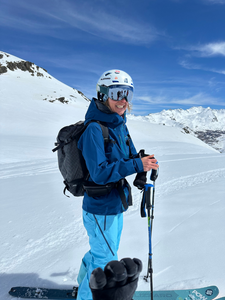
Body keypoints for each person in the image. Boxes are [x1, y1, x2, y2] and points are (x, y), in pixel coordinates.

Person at [77, 69, 159, 300]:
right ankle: (87, 297)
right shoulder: (94, 129)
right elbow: (100, 173)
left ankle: (81, 283)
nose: (123, 101)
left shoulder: (119, 125)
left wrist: (143, 165)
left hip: (114, 203)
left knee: (100, 252)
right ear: (103, 95)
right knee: (105, 260)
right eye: (117, 93)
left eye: (128, 94)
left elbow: (129, 157)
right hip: (101, 206)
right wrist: (135, 165)